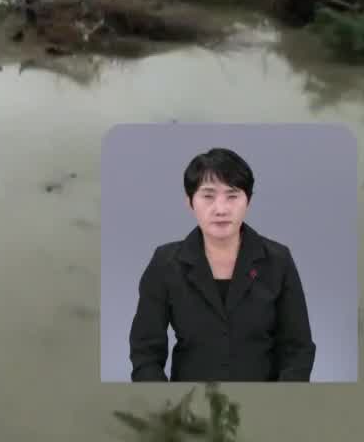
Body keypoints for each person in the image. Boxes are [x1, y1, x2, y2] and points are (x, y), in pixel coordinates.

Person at [129, 148, 315, 382]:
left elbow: (298, 349)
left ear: (248, 200)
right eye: (208, 196)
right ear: (190, 202)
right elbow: (145, 352)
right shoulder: (166, 263)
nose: (221, 209)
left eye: (232, 195)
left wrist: (278, 406)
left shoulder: (278, 260)